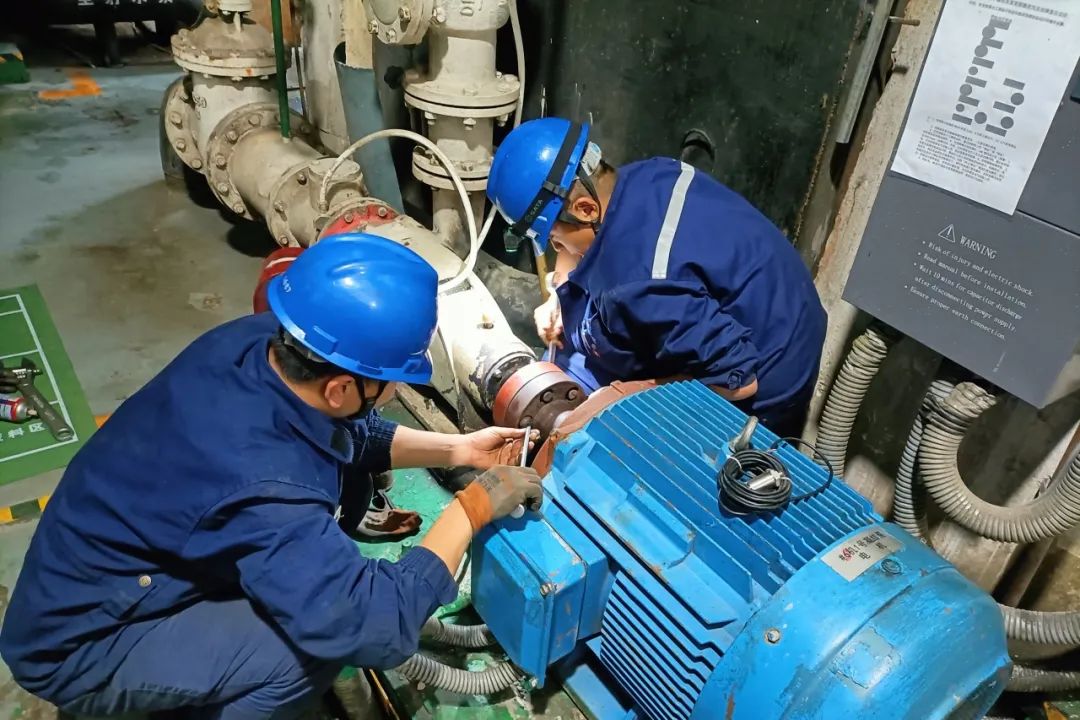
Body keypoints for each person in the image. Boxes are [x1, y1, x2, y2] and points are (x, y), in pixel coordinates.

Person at [0, 233, 543, 719]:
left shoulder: (268, 343)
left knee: (337, 513)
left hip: (115, 565)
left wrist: (458, 449)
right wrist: (472, 508)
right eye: (392, 380)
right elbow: (368, 624)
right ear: (340, 388)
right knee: (309, 653)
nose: (398, 390)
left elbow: (344, 430)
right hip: (84, 641)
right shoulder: (265, 483)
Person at [487, 118, 827, 436]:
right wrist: (558, 295)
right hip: (780, 302)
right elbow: (587, 246)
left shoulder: (637, 286)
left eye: (555, 239)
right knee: (588, 321)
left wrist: (622, 397)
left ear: (586, 209)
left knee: (622, 421)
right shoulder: (646, 175)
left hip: (766, 374)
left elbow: (739, 380)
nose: (557, 249)